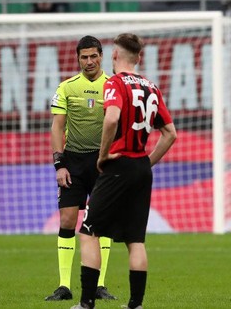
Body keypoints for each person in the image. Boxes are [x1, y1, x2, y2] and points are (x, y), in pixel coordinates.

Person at [71, 33, 177, 309]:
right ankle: (135, 304)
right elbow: (170, 134)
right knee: (135, 240)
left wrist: (104, 154)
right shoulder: (152, 87)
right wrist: (147, 162)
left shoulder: (115, 83)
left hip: (118, 165)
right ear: (139, 57)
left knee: (88, 231)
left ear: (114, 56)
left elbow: (112, 117)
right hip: (141, 167)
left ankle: (85, 303)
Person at [47, 35, 117, 302]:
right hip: (73, 163)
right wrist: (59, 163)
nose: (89, 61)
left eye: (94, 56)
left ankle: (100, 284)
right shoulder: (66, 87)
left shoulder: (112, 86)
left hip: (102, 162)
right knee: (67, 219)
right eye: (84, 57)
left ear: (101, 56)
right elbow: (57, 126)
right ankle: (64, 286)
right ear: (78, 59)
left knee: (101, 223)